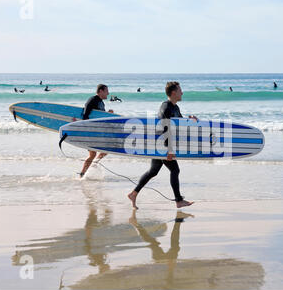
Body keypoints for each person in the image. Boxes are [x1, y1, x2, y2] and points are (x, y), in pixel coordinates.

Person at [127, 81, 196, 210]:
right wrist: (169, 150)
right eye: (180, 90)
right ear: (174, 93)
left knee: (153, 171)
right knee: (175, 170)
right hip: (161, 144)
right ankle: (179, 200)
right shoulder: (165, 107)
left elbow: (180, 123)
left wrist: (190, 118)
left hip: (161, 145)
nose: (182, 92)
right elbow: (165, 129)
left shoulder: (175, 107)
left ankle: (133, 193)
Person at [79, 84, 114, 178]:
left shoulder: (101, 102)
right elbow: (85, 114)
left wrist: (108, 114)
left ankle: (88, 170)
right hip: (90, 131)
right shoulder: (93, 100)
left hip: (97, 131)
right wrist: (86, 129)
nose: (108, 93)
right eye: (106, 91)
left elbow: (99, 117)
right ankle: (83, 173)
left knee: (102, 151)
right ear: (101, 91)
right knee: (94, 153)